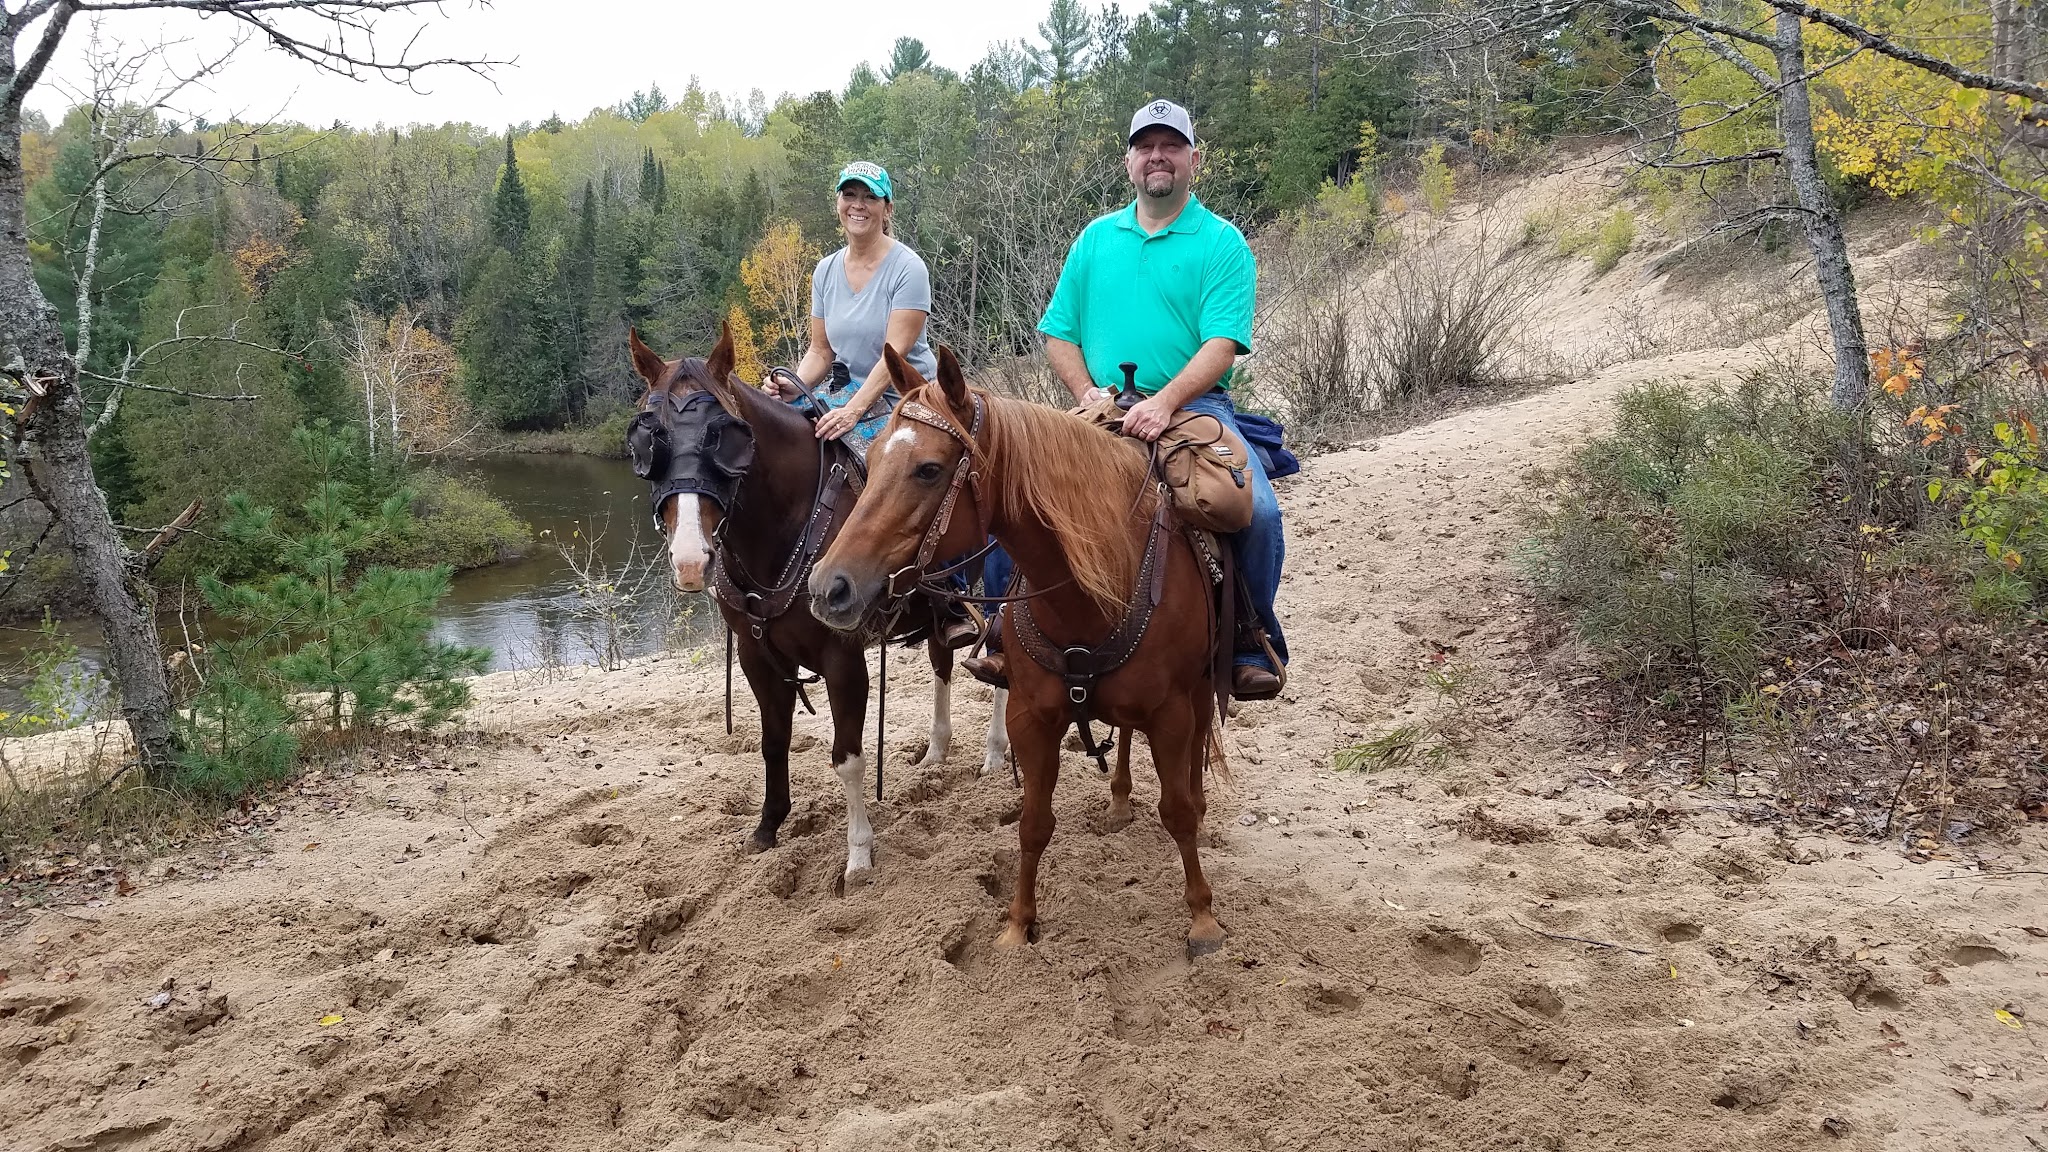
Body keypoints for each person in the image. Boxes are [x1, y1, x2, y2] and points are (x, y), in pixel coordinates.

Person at [964, 100, 1288, 698]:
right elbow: (1059, 333)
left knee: (1257, 511)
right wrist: (1088, 392)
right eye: (1146, 147)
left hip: (1194, 409)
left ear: (1195, 159)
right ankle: (1003, 636)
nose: (1157, 157)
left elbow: (1221, 345)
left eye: (1170, 146)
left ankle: (1250, 638)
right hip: (1102, 407)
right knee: (1008, 493)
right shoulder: (1095, 239)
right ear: (1129, 160)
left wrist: (1164, 402)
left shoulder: (1221, 242)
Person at [760, 161, 974, 648]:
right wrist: (792, 385)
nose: (858, 204)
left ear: (886, 208)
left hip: (907, 393)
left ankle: (946, 598)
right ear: (838, 204)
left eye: (869, 197)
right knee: (779, 446)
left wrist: (854, 411)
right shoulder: (825, 270)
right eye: (849, 194)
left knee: (904, 469)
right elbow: (820, 352)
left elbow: (894, 355)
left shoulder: (907, 268)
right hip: (840, 388)